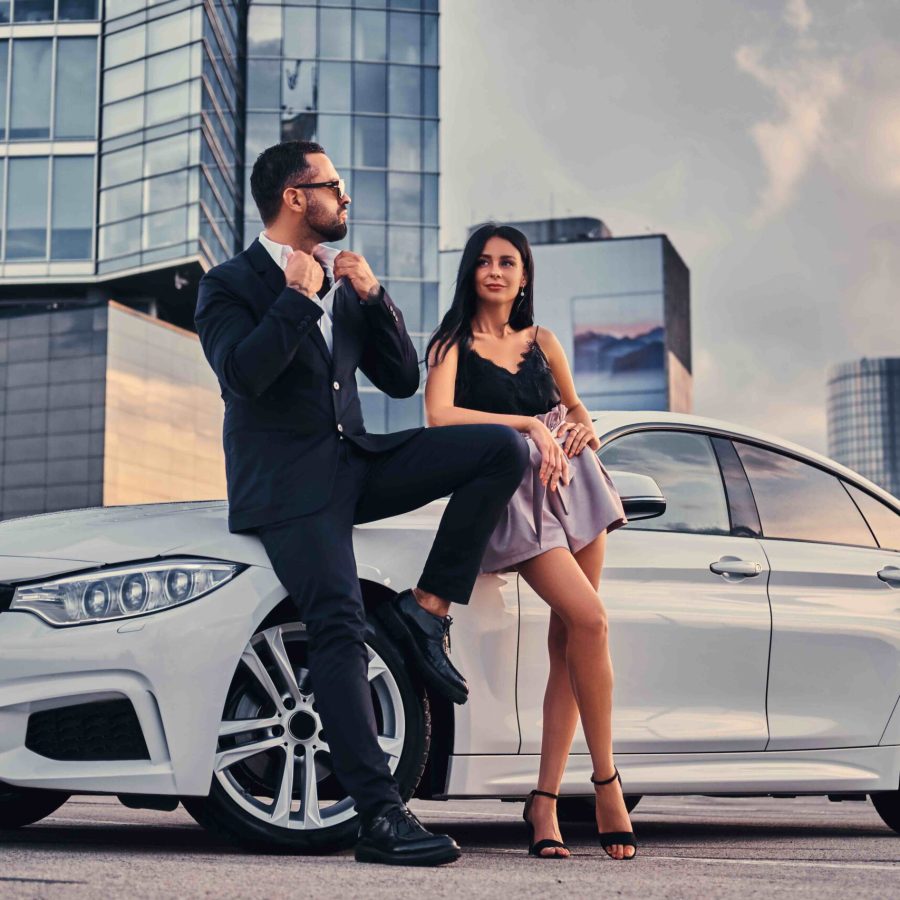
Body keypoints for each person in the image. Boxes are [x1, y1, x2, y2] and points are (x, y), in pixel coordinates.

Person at [194, 143, 529, 866]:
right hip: (286, 485)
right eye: (334, 188)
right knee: (339, 622)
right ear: (294, 197)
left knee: (501, 447)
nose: (346, 199)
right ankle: (380, 817)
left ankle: (426, 609)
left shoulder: (346, 285)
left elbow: (404, 381)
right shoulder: (227, 285)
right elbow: (243, 378)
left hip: (355, 462)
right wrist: (294, 297)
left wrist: (374, 300)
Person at [424, 224, 636, 860]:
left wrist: (574, 431)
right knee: (591, 620)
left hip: (577, 485)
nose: (495, 271)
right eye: (484, 261)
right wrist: (527, 425)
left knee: (570, 638)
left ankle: (543, 801)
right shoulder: (450, 345)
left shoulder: (543, 341)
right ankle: (606, 783)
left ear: (524, 277)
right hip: (516, 495)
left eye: (507, 262)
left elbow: (577, 412)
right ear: (471, 273)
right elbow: (439, 418)